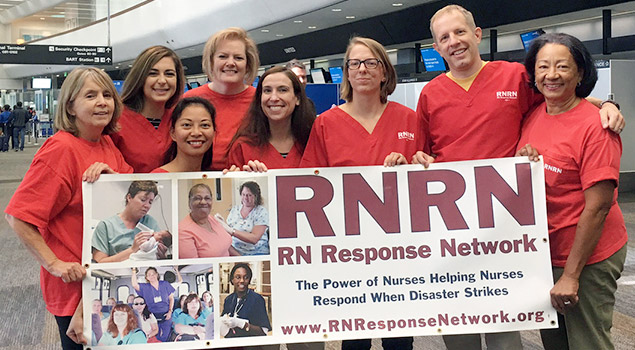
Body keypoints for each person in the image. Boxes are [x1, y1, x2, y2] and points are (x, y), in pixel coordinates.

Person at [412, 5, 625, 350]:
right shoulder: (431, 95)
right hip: (459, 227)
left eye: (460, 32)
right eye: (444, 37)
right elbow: (424, 153)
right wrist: (419, 159)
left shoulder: (513, 77)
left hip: (510, 229)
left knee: (506, 324)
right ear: (436, 48)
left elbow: (561, 95)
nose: (454, 42)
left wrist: (606, 106)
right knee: (461, 318)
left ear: (477, 34)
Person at [300, 36, 421, 350]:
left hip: (400, 253)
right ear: (347, 73)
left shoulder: (409, 119)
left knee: (400, 339)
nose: (363, 69)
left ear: (384, 73)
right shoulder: (325, 124)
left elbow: (430, 174)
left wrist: (414, 164)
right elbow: (309, 184)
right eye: (355, 63)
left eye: (372, 62)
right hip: (349, 253)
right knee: (355, 340)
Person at [4, 66, 133, 349]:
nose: (102, 102)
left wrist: (114, 179)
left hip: (104, 276)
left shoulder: (106, 143)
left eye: (107, 95)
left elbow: (124, 201)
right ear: (70, 106)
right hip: (77, 284)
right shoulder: (61, 149)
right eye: (90, 95)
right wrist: (54, 264)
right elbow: (18, 216)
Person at [516, 33, 627, 350]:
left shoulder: (596, 126)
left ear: (580, 73)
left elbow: (599, 207)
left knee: (587, 342)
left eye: (563, 66)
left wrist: (572, 276)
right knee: (555, 341)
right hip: (546, 253)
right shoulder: (536, 113)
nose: (551, 75)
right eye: (543, 67)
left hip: (587, 256)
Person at [183, 27, 260, 170]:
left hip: (248, 180)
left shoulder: (260, 100)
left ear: (248, 64)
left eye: (238, 57)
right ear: (211, 61)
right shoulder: (190, 100)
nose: (230, 63)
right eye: (223, 56)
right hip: (199, 180)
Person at [111, 45, 186, 173]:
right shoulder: (115, 120)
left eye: (169, 74)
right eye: (153, 73)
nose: (162, 80)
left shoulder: (182, 116)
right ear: (140, 78)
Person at [227, 66, 315, 171]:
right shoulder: (243, 147)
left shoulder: (314, 144)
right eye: (267, 90)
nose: (274, 98)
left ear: (297, 98)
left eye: (282, 90)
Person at [92, 180, 171, 262]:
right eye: (143, 200)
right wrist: (132, 250)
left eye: (150, 202)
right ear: (129, 197)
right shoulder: (106, 226)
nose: (147, 205)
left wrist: (161, 256)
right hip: (117, 273)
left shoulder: (151, 223)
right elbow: (100, 263)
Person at [151, 97, 216, 173]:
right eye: (187, 125)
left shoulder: (214, 177)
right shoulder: (159, 178)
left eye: (204, 125)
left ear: (214, 132)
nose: (196, 133)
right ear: (173, 133)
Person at [179, 183, 234, 258]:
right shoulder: (182, 231)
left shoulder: (213, 219)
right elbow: (193, 268)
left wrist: (243, 260)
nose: (203, 202)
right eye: (198, 198)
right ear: (189, 202)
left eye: (207, 198)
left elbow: (227, 247)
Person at [221, 263, 271, 338]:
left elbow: (264, 331)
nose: (242, 280)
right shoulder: (229, 299)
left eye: (246, 277)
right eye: (238, 277)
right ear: (232, 280)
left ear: (249, 280)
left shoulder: (257, 299)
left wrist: (242, 324)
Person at [221, 181, 270, 255]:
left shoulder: (261, 211)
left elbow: (254, 238)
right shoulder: (235, 210)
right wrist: (221, 223)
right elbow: (227, 232)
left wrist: (232, 231)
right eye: (243, 195)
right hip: (235, 251)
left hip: (256, 252)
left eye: (249, 195)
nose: (245, 198)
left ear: (256, 196)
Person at [131, 267, 175, 342]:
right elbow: (134, 284)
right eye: (149, 275)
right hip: (151, 316)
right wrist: (134, 271)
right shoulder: (145, 287)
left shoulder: (165, 284)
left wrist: (170, 311)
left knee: (166, 337)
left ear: (157, 274)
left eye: (153, 274)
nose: (152, 276)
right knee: (155, 337)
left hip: (166, 314)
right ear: (147, 277)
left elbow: (171, 298)